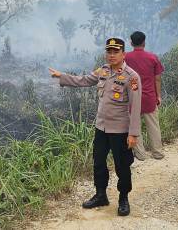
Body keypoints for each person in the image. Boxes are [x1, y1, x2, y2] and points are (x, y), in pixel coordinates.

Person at [48, 38, 141, 217]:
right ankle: (100, 195)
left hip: (120, 130)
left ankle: (123, 198)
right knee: (98, 162)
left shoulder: (132, 76)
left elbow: (136, 107)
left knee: (122, 165)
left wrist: (133, 134)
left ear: (124, 54)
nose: (111, 55)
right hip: (101, 127)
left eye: (115, 52)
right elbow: (83, 80)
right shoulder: (103, 70)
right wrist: (62, 76)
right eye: (109, 52)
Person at [125, 31, 165, 160]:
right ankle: (157, 153)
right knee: (153, 126)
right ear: (144, 42)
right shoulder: (152, 58)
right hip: (149, 97)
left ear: (131, 43)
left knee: (134, 126)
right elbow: (157, 79)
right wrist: (158, 96)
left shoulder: (126, 58)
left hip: (132, 98)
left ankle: (141, 154)